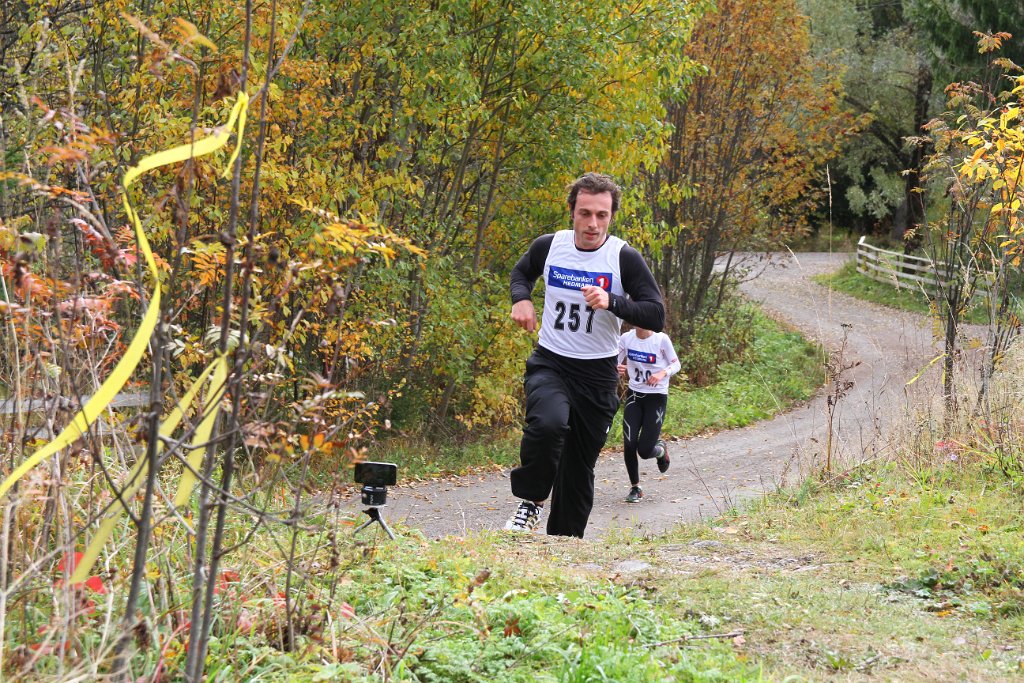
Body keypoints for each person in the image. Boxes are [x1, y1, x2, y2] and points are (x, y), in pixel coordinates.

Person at [505, 172, 665, 537]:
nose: (593, 223)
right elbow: (521, 272)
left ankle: (563, 546)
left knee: (578, 468)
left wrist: (614, 302)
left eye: (601, 215)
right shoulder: (550, 246)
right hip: (551, 362)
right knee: (547, 424)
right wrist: (522, 298)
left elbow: (656, 314)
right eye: (585, 213)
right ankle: (530, 501)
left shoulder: (623, 258)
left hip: (597, 375)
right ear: (572, 212)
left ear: (611, 216)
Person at [616, 326, 680, 503]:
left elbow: (676, 364)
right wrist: (616, 368)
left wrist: (662, 373)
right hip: (634, 396)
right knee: (629, 443)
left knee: (644, 451)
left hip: (656, 398)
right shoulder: (626, 338)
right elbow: (613, 361)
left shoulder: (661, 340)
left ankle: (660, 450)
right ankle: (635, 487)